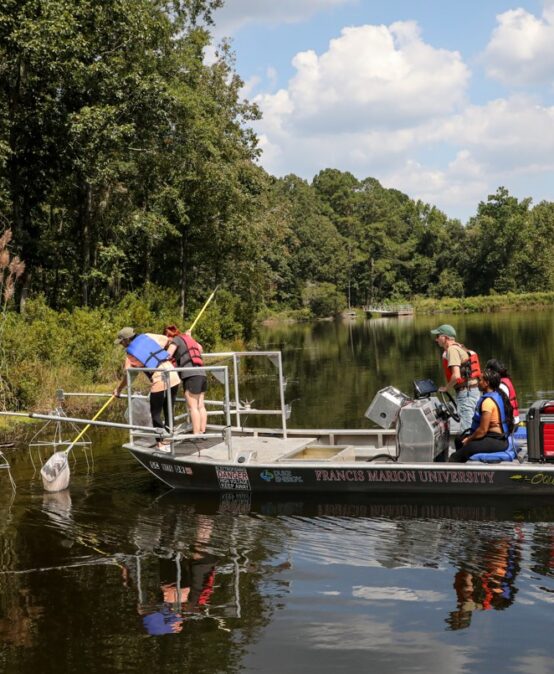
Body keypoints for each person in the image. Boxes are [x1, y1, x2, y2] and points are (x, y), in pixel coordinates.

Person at [113, 327, 180, 451]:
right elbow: (167, 340)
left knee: (155, 413)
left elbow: (130, 376)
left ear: (127, 340)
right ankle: (169, 438)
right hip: (173, 373)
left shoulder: (130, 354)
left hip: (159, 377)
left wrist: (118, 390)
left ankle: (162, 443)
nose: (121, 344)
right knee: (168, 409)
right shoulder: (148, 336)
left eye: (122, 341)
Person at [448, 368, 514, 463]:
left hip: (497, 440)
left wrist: (469, 439)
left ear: (486, 383)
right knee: (459, 440)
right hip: (493, 436)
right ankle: (464, 464)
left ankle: (456, 467)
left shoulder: (488, 402)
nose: (478, 382)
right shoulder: (497, 395)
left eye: (480, 380)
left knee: (455, 456)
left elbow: (482, 431)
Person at [430, 324, 482, 432]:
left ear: (446, 338)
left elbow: (456, 375)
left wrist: (446, 388)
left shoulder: (452, 350)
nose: (436, 339)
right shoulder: (460, 347)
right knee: (472, 424)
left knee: (467, 428)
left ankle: (468, 448)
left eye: (438, 336)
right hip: (472, 391)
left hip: (466, 394)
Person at [164, 325, 207, 435]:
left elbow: (168, 354)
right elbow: (200, 349)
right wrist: (190, 337)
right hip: (202, 374)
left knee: (193, 407)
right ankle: (202, 431)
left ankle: (196, 434)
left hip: (191, 375)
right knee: (201, 406)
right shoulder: (188, 339)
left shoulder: (176, 340)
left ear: (169, 336)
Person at [486, 358, 520, 424]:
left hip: (510, 421)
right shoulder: (505, 380)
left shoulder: (501, 385)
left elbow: (502, 406)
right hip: (513, 418)